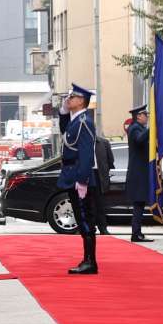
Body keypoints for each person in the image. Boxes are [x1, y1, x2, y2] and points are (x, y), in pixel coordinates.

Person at [58, 84, 99, 274]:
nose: (69, 99)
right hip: (71, 173)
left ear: (81, 101)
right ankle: (87, 259)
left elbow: (86, 154)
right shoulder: (76, 120)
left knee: (84, 218)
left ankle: (90, 262)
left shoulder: (85, 121)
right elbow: (65, 131)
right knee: (81, 216)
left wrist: (82, 180)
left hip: (78, 176)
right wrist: (63, 112)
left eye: (72, 97)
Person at [125, 104, 153, 242]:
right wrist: (151, 129)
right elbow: (139, 139)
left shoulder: (139, 128)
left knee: (140, 204)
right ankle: (136, 234)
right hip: (138, 173)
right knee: (138, 204)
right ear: (138, 116)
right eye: (145, 115)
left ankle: (137, 232)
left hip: (140, 172)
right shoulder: (135, 128)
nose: (147, 117)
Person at [93, 135, 114, 235]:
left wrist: (105, 172)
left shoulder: (103, 142)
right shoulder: (82, 141)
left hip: (99, 175)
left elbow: (110, 161)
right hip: (86, 174)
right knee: (87, 204)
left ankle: (103, 228)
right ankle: (89, 227)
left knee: (100, 204)